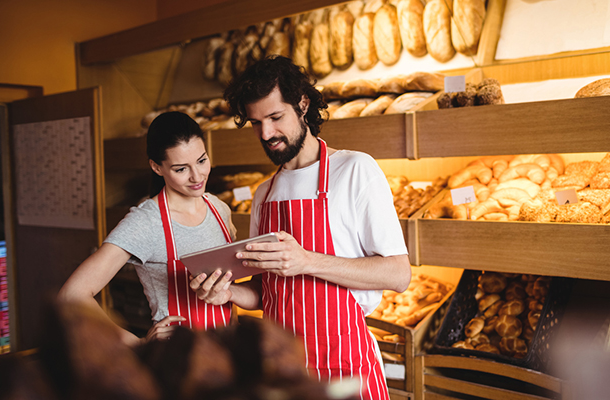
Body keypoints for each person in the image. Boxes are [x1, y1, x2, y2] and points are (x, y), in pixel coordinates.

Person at [190, 55, 412, 399]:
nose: (266, 133)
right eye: (256, 123)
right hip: (285, 373)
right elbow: (269, 294)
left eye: (275, 117)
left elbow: (398, 275)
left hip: (345, 367)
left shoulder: (354, 170)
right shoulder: (264, 193)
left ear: (303, 104)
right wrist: (228, 293)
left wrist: (306, 260)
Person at [59, 111, 237, 346]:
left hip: (227, 351)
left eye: (202, 161)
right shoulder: (146, 223)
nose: (197, 176)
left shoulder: (218, 208)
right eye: (181, 169)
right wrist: (137, 344)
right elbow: (71, 296)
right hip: (177, 359)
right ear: (156, 167)